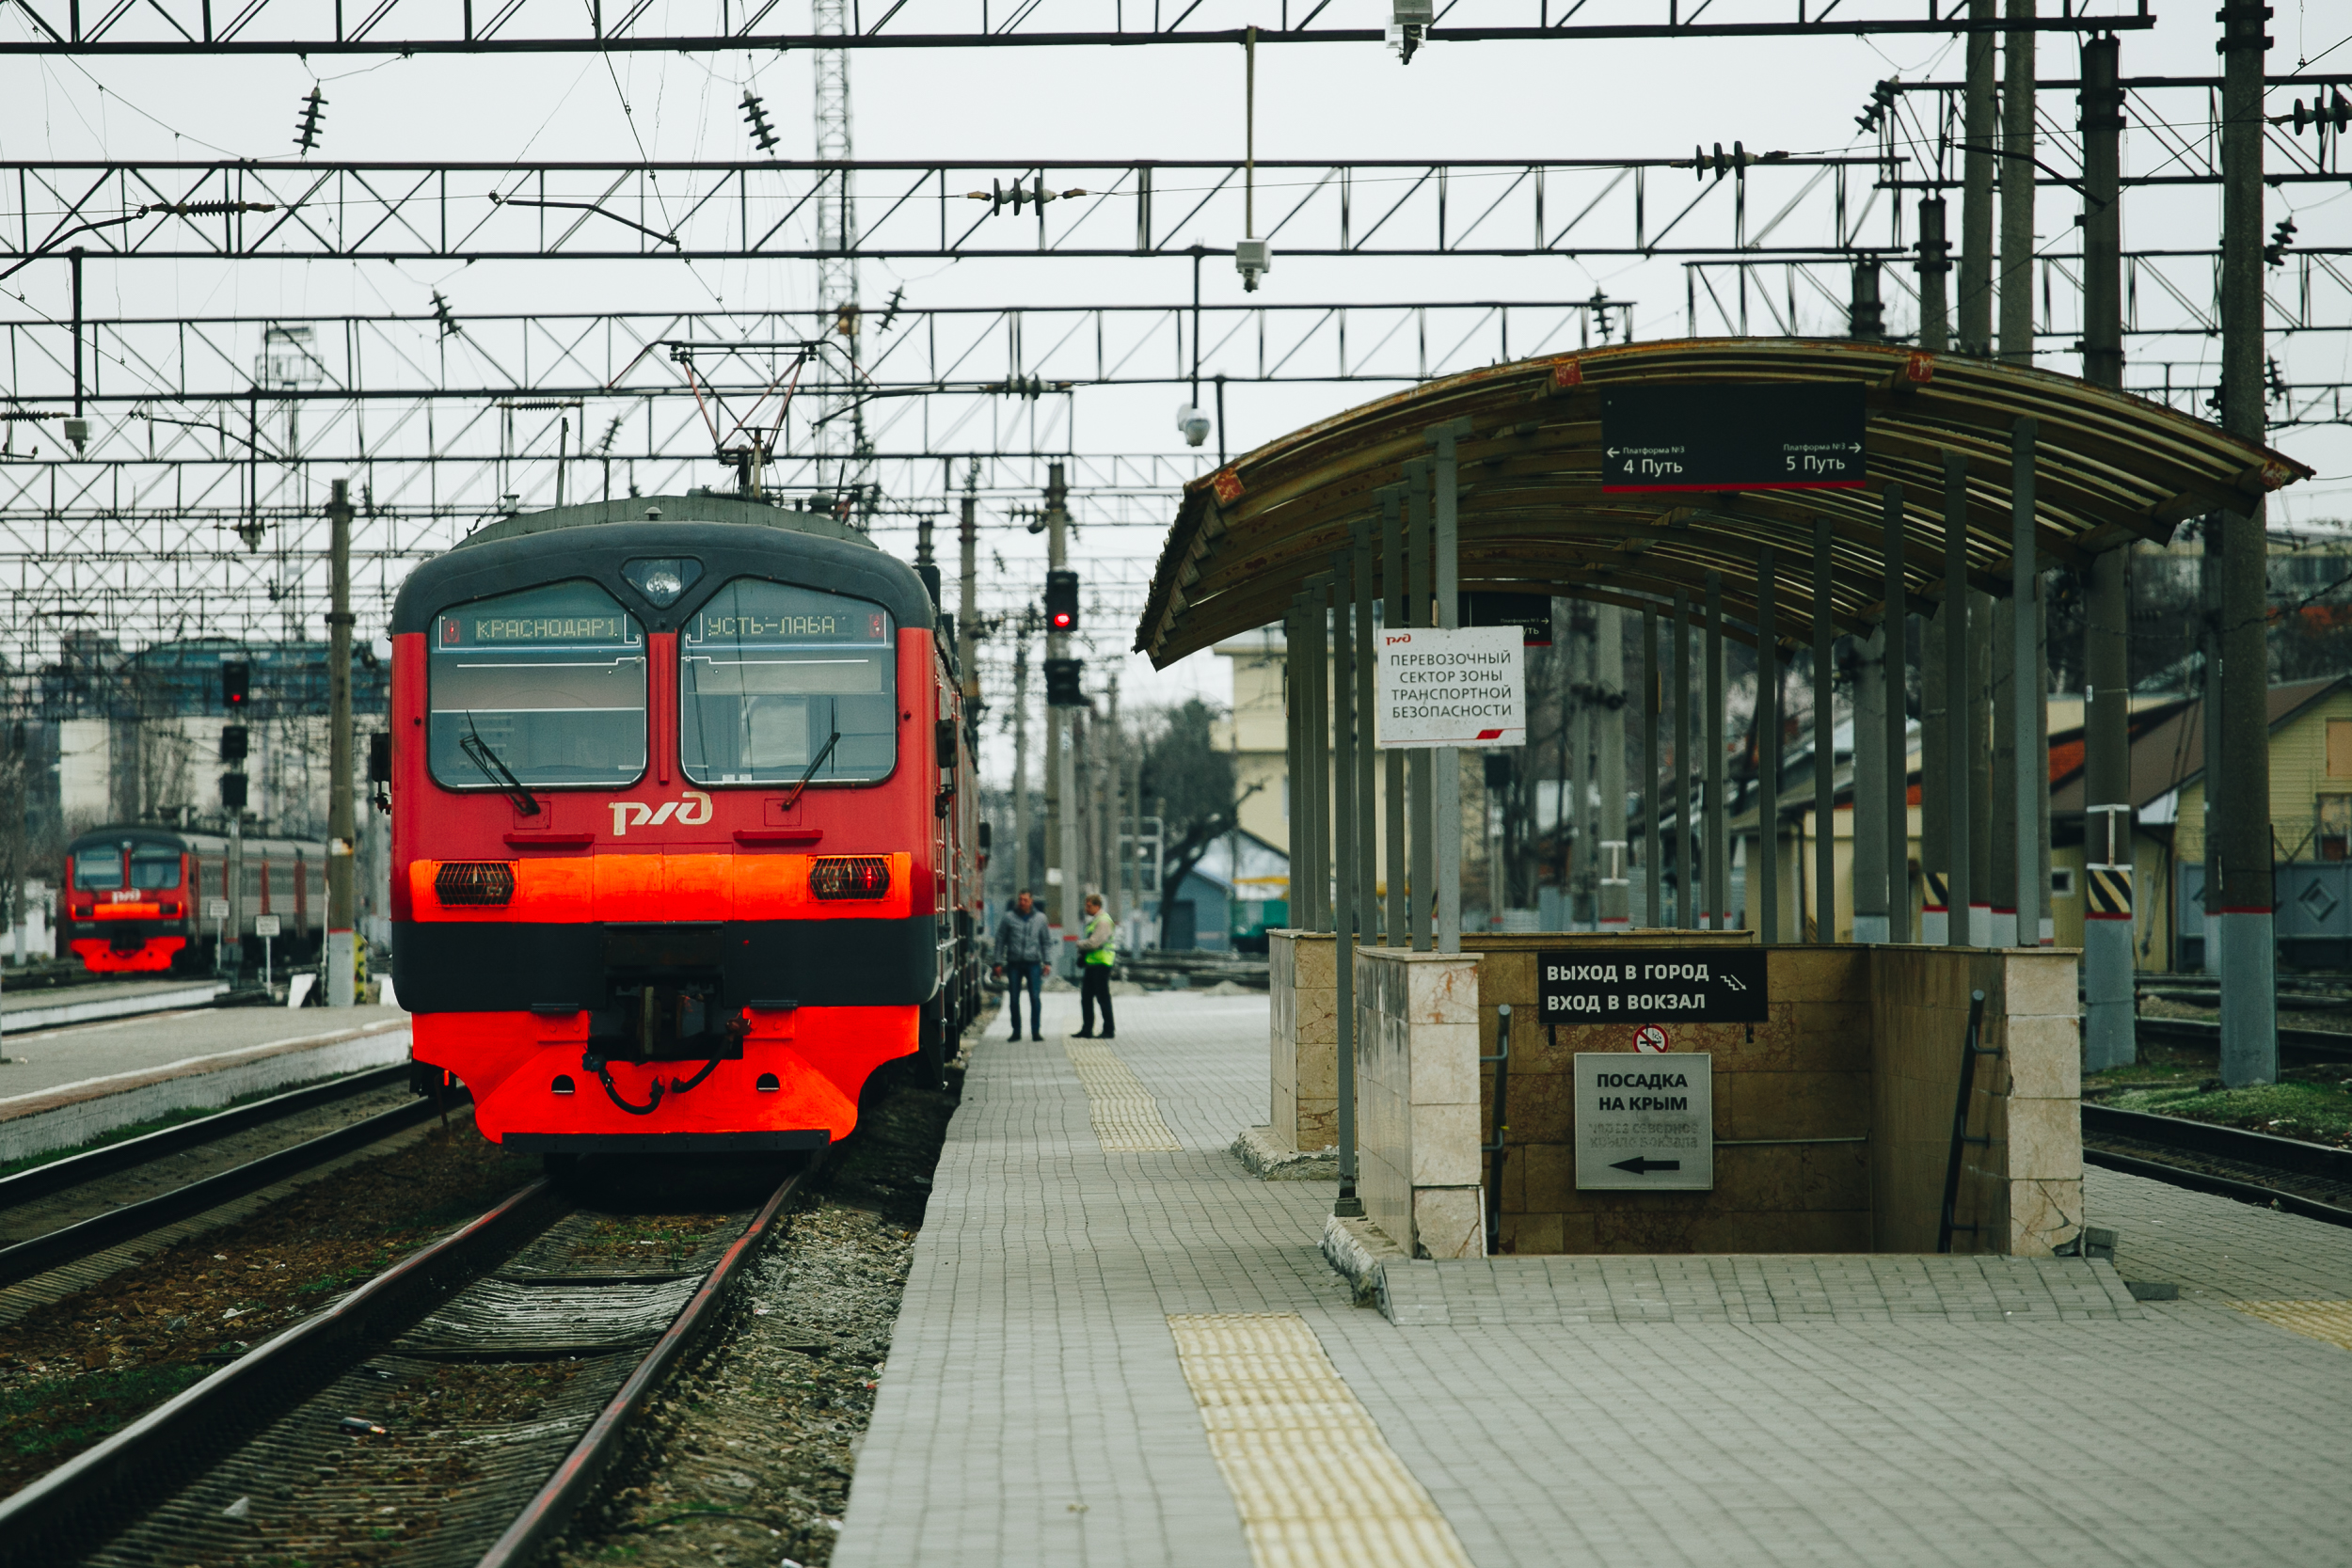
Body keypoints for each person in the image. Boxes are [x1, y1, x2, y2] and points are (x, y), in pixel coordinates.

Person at [993, 890, 1052, 1042]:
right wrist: (997, 962)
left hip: (1033, 963)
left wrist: (1047, 962)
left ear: (1031, 901)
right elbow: (1000, 941)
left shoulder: (1040, 919)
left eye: (1025, 900)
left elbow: (1046, 942)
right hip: (1014, 963)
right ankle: (1016, 1031)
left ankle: (1035, 1031)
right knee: (1013, 998)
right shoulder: (1008, 918)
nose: (1022, 902)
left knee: (1035, 997)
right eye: (1020, 899)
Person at [1072, 893, 1117, 1039]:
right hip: (1093, 964)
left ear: (1097, 906)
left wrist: (1079, 944)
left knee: (1102, 997)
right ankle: (1087, 1029)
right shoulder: (1095, 921)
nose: (1086, 908)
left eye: (1089, 905)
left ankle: (1109, 1030)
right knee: (1086, 997)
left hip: (1102, 963)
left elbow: (1094, 943)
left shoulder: (1103, 921)